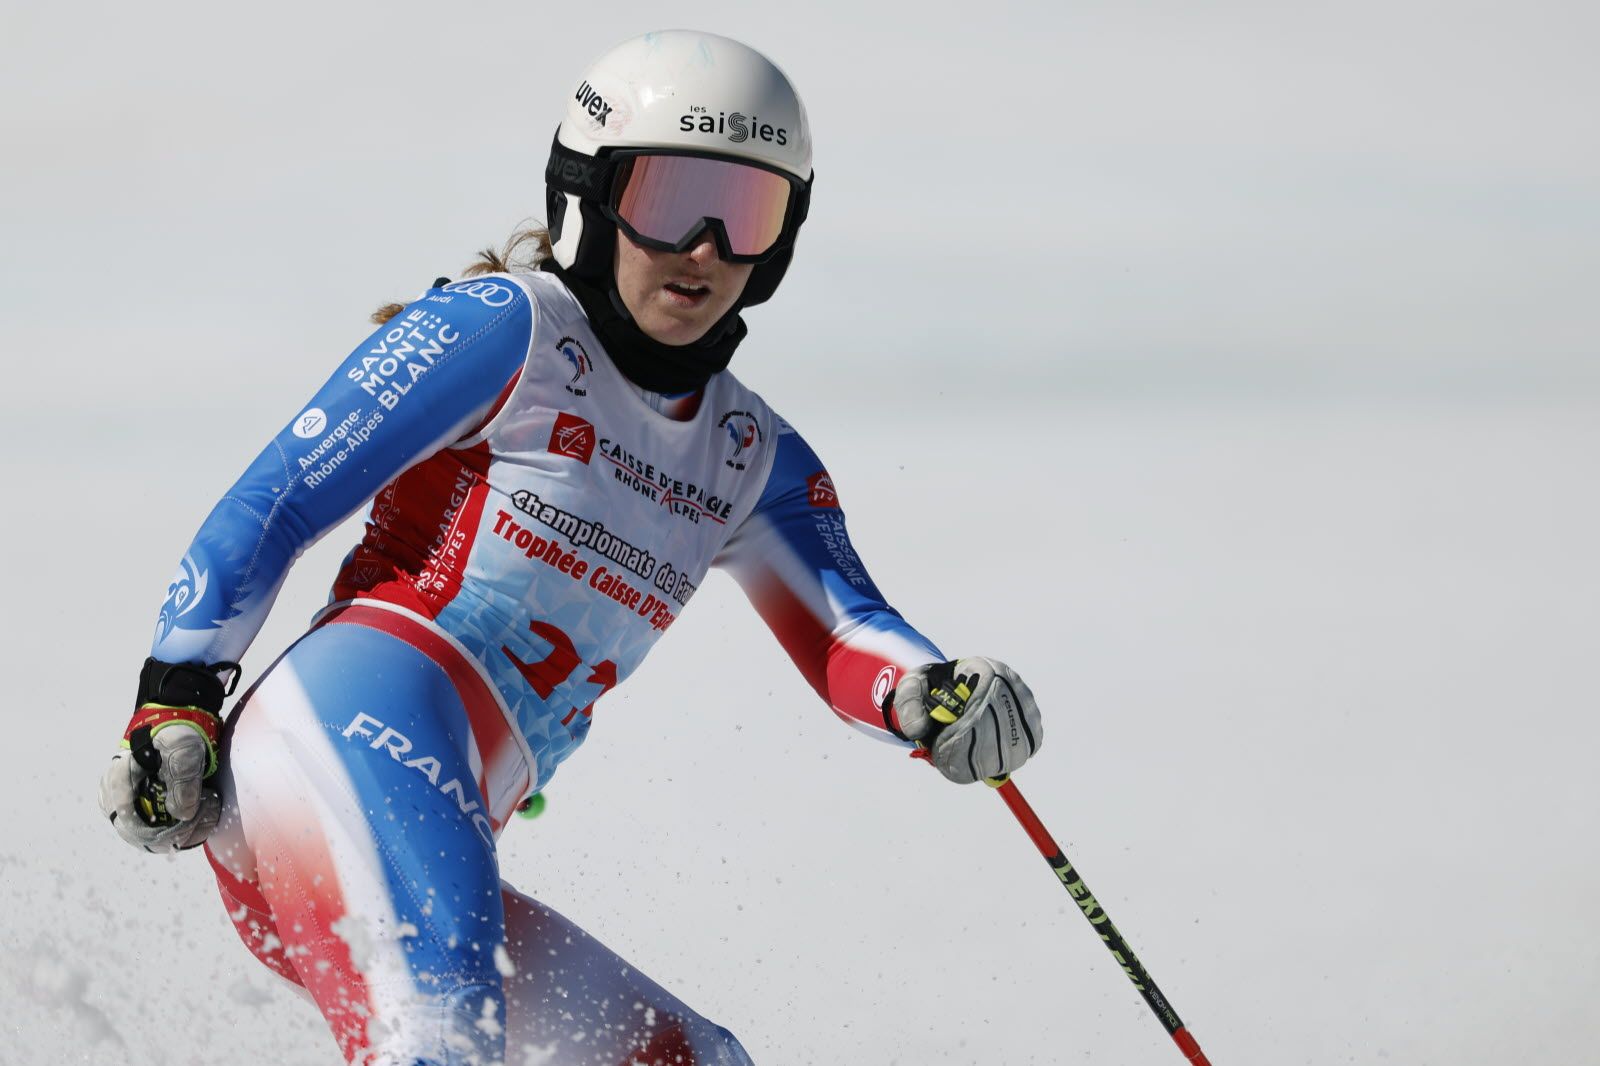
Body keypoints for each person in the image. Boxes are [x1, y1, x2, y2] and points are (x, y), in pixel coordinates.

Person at [98, 29, 1044, 1066]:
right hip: (338, 741)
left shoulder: (751, 456)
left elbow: (848, 633)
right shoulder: (509, 328)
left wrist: (934, 693)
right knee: (446, 1032)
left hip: (427, 825)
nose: (707, 249)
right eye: (671, 200)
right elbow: (275, 500)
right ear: (586, 194)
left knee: (690, 1059)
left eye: (750, 215)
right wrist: (173, 693)